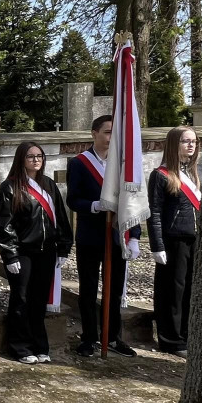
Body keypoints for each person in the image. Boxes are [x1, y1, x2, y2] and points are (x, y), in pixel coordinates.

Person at [66, 115, 141, 358]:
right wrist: (96, 205)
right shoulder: (79, 163)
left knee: (115, 289)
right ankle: (89, 337)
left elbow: (134, 202)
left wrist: (135, 236)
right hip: (90, 235)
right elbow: (73, 200)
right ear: (94, 133)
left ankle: (113, 336)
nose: (111, 137)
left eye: (114, 133)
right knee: (88, 289)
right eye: (107, 132)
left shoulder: (123, 164)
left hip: (118, 235)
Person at [0, 142, 73, 364]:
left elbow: (61, 218)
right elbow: (4, 224)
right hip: (23, 252)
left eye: (39, 156)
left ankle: (40, 345)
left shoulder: (48, 185)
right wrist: (10, 254)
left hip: (46, 251)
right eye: (30, 156)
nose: (36, 160)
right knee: (21, 298)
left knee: (39, 300)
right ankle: (20, 347)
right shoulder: (10, 187)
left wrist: (64, 246)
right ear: (21, 159)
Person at [148, 126, 201, 358]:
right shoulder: (160, 175)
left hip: (194, 239)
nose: (191, 145)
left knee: (190, 290)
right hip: (173, 241)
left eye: (194, 141)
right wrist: (157, 245)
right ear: (173, 144)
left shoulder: (193, 173)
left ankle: (187, 335)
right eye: (185, 141)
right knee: (173, 291)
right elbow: (155, 212)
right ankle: (171, 340)